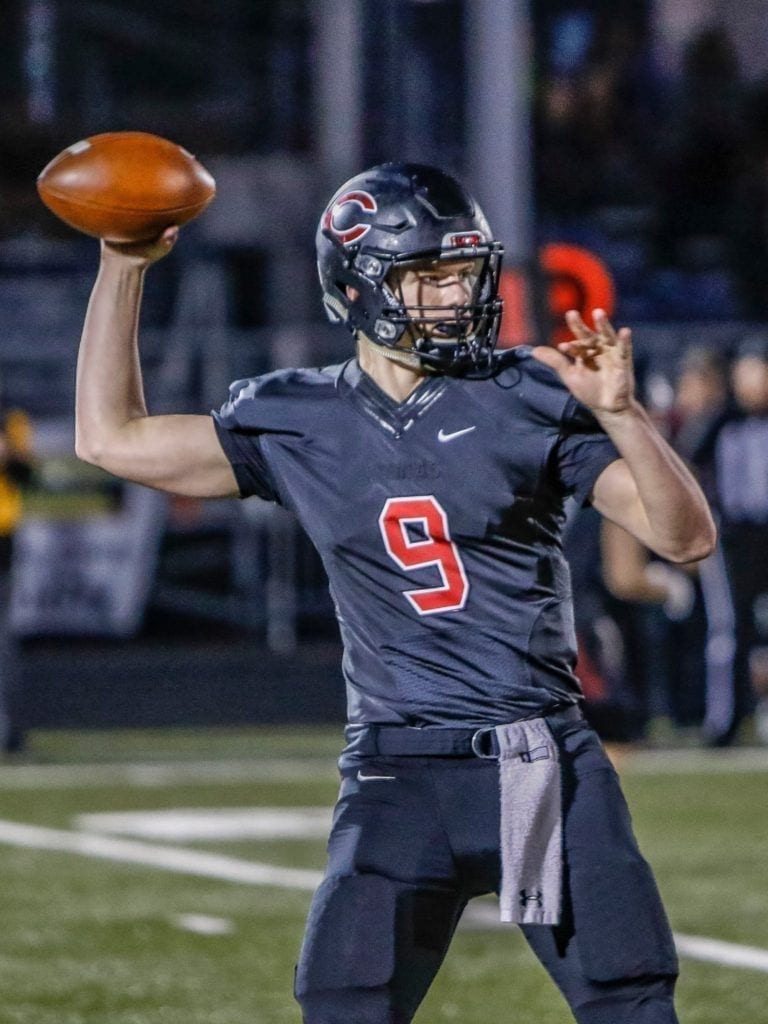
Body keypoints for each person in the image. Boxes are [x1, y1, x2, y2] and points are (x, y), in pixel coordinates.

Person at [75, 163, 715, 1024]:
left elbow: (685, 537)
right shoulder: (300, 418)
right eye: (428, 277)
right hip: (394, 770)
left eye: (464, 273)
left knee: (628, 1002)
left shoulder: (527, 392)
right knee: (343, 1004)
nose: (456, 297)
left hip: (535, 762)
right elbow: (109, 438)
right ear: (356, 286)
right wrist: (123, 266)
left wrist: (627, 416)